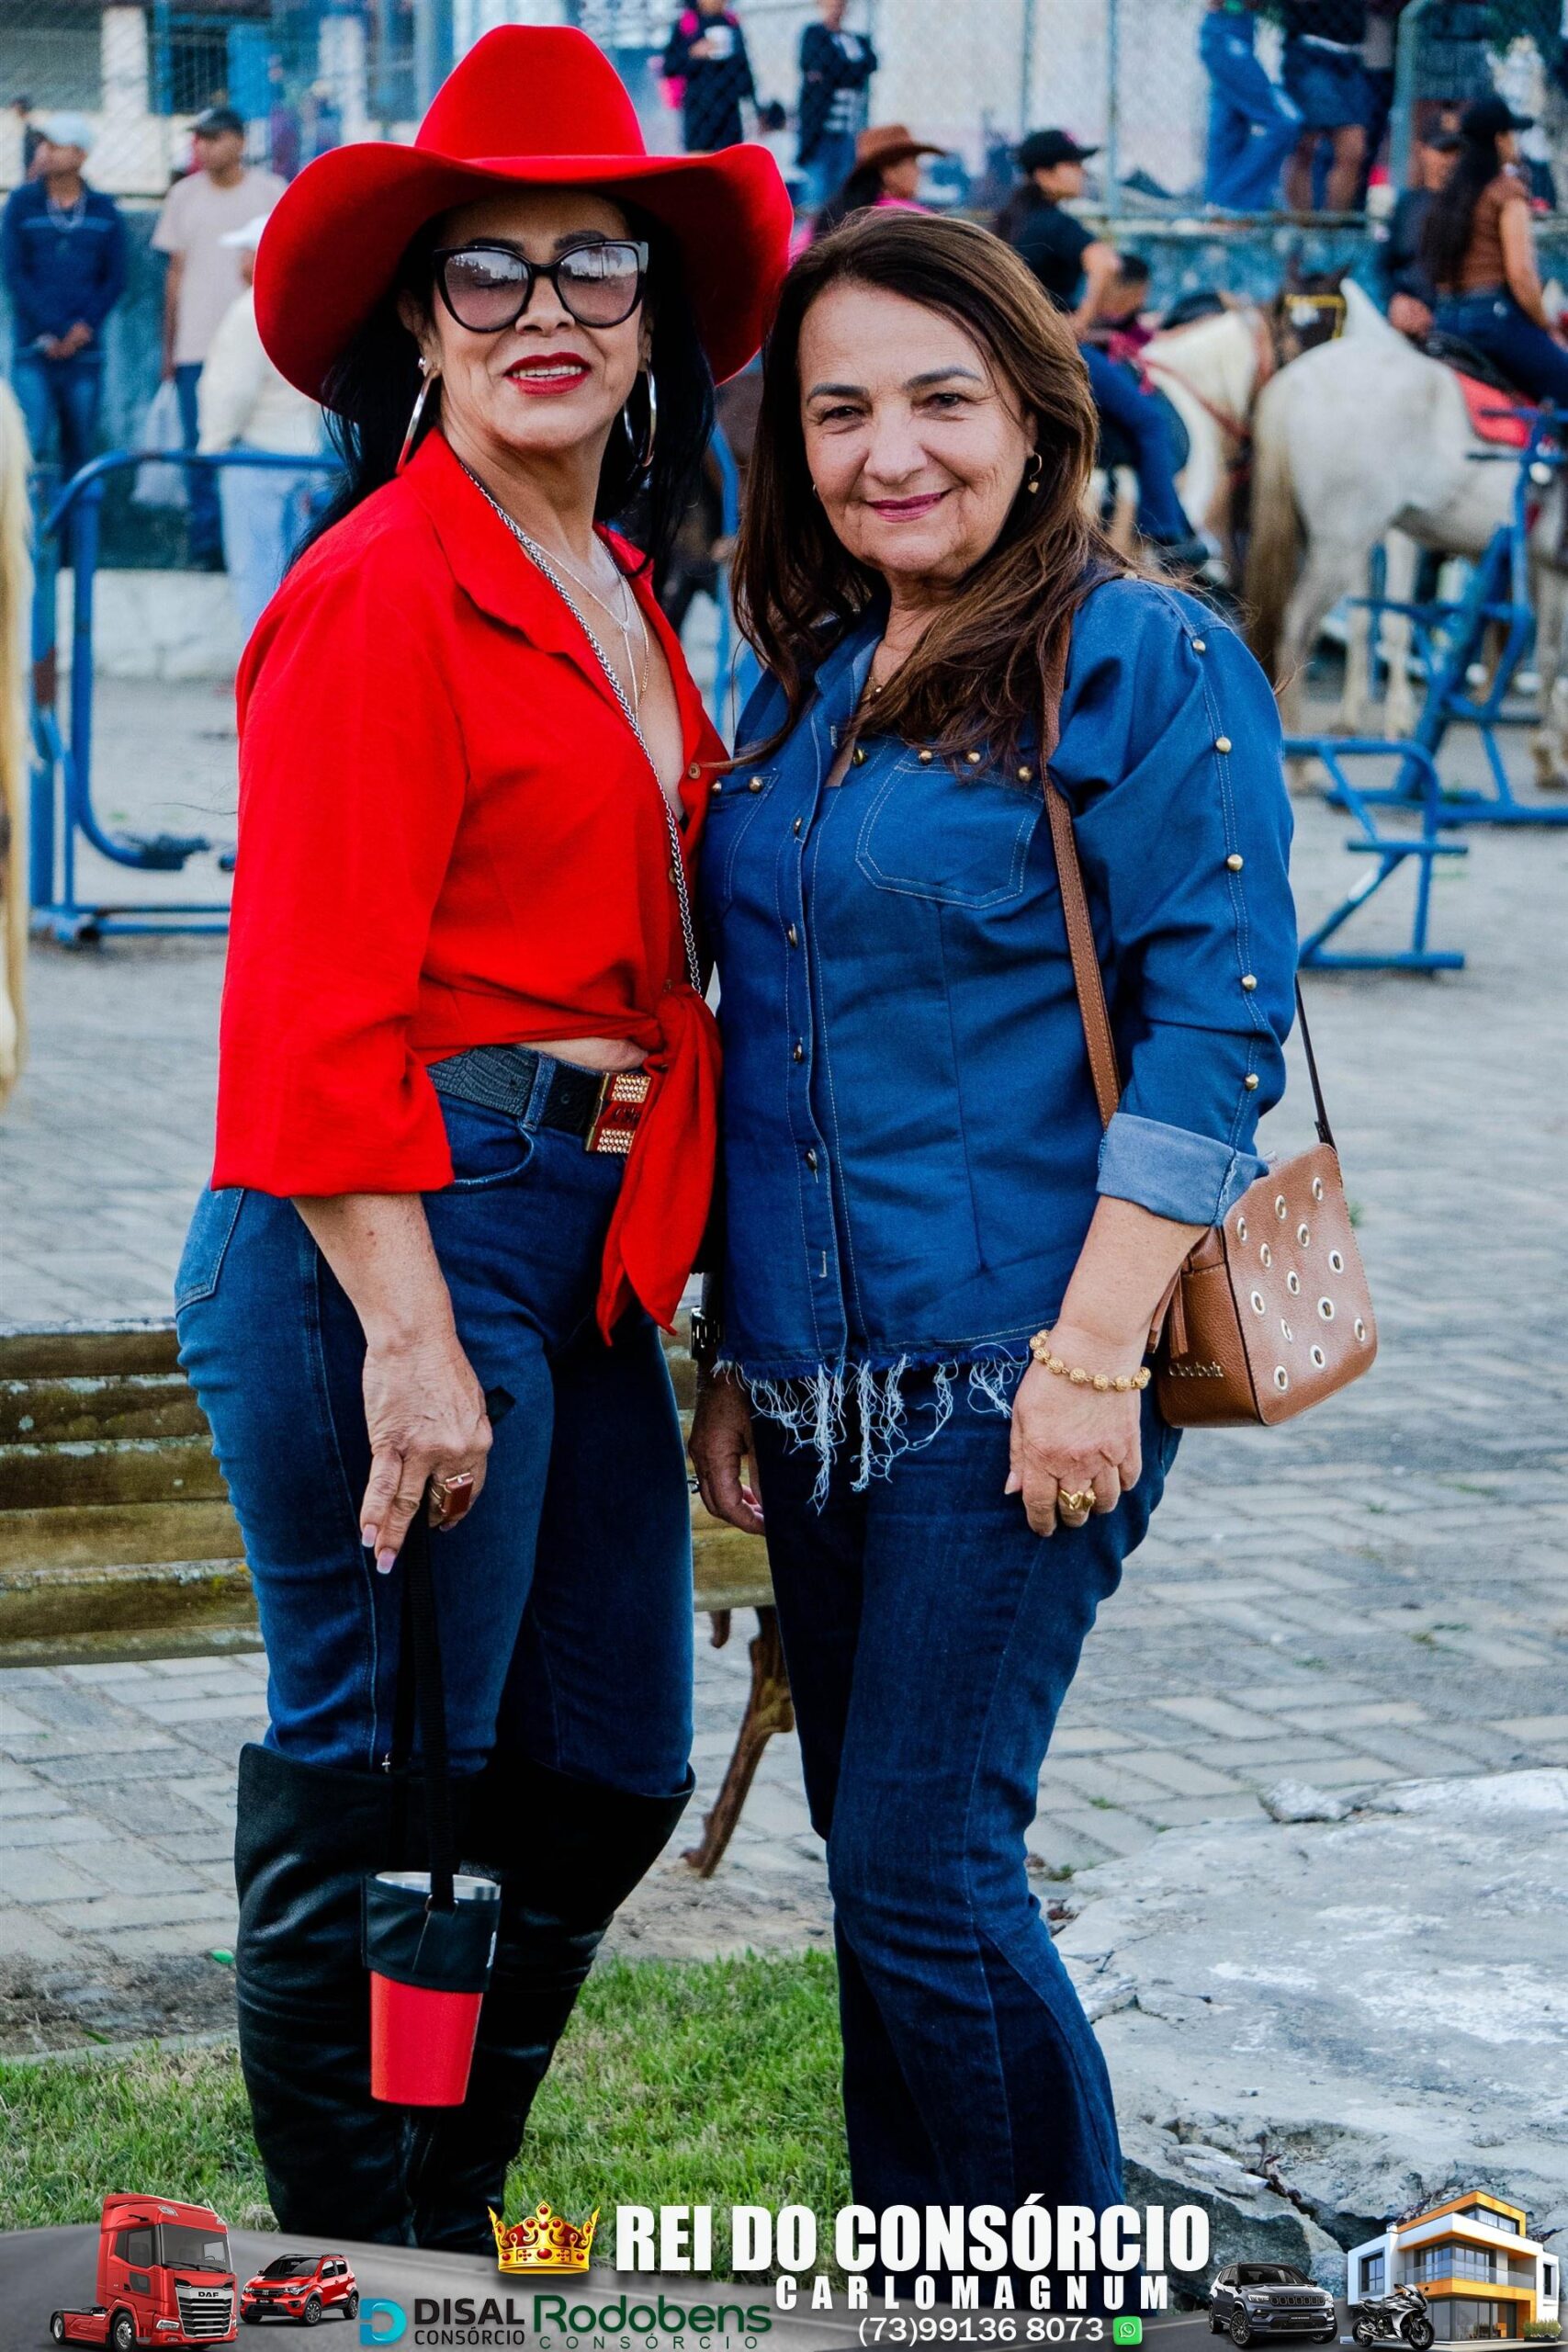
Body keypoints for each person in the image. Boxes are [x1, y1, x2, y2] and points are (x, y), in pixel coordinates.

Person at [173, 23, 789, 2247]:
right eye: (488, 271)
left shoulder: (612, 580)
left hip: (576, 1238)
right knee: (388, 1773)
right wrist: (412, 1333)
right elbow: (305, 1006)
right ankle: (363, 2256)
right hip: (390, 1229)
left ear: (652, 321)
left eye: (593, 266)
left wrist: (706, 1296)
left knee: (605, 1754)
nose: (547, 311)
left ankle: (441, 2196)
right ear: (416, 330)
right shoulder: (380, 589)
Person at [689, 209, 1296, 2301]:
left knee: (926, 1863)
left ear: (1034, 417)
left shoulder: (1142, 658)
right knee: (876, 1858)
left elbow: (1215, 1023)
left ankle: (1044, 2296)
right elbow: (773, 1025)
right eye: (838, 410)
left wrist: (1093, 1354)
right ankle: (939, 2285)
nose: (890, 452)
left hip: (1016, 1368)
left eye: (939, 399)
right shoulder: (803, 676)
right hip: (815, 1380)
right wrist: (735, 1346)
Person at [1003, 130, 1205, 563]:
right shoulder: (1057, 223)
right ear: (1044, 174)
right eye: (1072, 165)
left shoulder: (1013, 222)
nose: (1081, 173)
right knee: (1150, 422)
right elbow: (1106, 263)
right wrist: (1081, 319)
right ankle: (1164, 532)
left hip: (1015, 346)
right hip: (1053, 348)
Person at [152, 106, 286, 567]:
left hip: (260, 346)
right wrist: (169, 348)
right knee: (202, 447)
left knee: (256, 445)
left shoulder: (271, 192)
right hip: (196, 343)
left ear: (240, 141)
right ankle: (208, 545)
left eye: (213, 137)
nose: (204, 147)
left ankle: (252, 548)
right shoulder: (183, 195)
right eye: (199, 139)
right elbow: (174, 274)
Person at [197, 214, 324, 634]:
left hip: (253, 455)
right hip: (301, 455)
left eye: (247, 252)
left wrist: (214, 443)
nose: (241, 261)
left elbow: (233, 391)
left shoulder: (250, 309)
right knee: (293, 573)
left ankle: (260, 665)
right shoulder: (306, 307)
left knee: (255, 574)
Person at [1, 111, 127, 485]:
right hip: (33, 348)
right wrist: (55, 329)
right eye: (44, 145)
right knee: (28, 446)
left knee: (81, 451)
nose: (46, 152)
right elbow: (14, 274)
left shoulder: (104, 210)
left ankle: (79, 524)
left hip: (84, 353)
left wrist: (81, 330)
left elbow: (114, 279)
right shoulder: (22, 204)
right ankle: (29, 523)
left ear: (81, 155)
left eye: (57, 146)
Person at [1426, 96, 1568, 401]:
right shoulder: (1507, 191)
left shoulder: (1451, 194)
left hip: (1445, 319)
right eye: (1512, 135)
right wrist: (1546, 325)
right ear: (1500, 140)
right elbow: (1521, 275)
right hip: (1493, 320)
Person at [1201, 1, 1303, 212]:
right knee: (1285, 121)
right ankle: (1230, 205)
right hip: (1226, 27)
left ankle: (1219, 209)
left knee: (1229, 126)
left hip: (1240, 27)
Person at [1280, 1, 1370, 213]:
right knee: (1306, 146)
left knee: (1353, 150)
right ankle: (1302, 225)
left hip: (1350, 57)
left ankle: (1332, 226)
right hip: (1309, 51)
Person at [1375, 127, 1461, 338]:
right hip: (1407, 315)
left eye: (1456, 152)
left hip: (1453, 315)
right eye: (1442, 151)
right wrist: (1396, 300)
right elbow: (1382, 264)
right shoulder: (1407, 205)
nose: (1449, 160)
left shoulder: (1469, 205)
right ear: (1422, 150)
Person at [796, 0, 877, 214]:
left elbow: (871, 63)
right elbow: (816, 63)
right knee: (816, 195)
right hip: (821, 130)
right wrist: (850, 69)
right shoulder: (814, 34)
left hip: (850, 130)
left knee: (844, 195)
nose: (835, 8)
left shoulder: (855, 40)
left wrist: (832, 73)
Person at [812, 122, 944, 237]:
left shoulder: (829, 215)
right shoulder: (909, 217)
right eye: (912, 163)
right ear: (889, 172)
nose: (919, 171)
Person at [662, 0, 756, 153]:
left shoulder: (731, 23)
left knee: (730, 156)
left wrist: (753, 104)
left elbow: (744, 67)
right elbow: (669, 66)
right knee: (699, 158)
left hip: (729, 111)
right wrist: (692, 53)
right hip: (698, 111)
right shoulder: (687, 25)